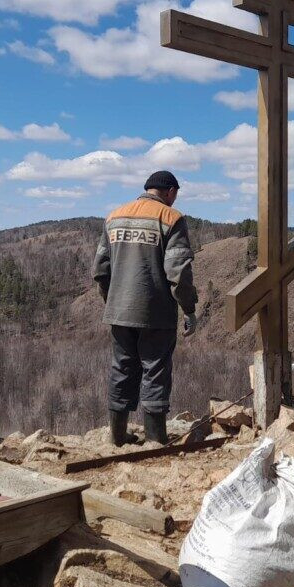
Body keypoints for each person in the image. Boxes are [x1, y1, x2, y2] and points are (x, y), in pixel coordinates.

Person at [92, 170, 199, 446]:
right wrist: (188, 309)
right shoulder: (171, 218)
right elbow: (178, 272)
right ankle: (155, 438)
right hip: (156, 314)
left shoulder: (114, 217)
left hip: (119, 311)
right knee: (155, 371)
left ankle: (117, 436)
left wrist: (113, 301)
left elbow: (101, 270)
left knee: (122, 369)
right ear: (171, 192)